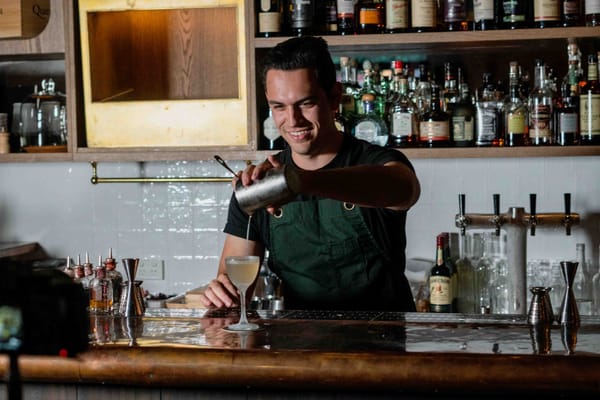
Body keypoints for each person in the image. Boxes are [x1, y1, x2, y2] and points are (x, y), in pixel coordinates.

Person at [200, 36, 420, 311]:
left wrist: (300, 182)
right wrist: (223, 295)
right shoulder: (260, 184)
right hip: (299, 345)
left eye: (306, 103)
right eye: (279, 106)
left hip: (382, 345)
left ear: (335, 98)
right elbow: (235, 291)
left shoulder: (376, 162)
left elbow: (403, 189)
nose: (292, 121)